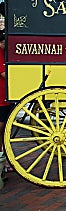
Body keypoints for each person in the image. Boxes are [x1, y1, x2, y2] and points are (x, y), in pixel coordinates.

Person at [0, 31, 14, 183]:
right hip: (1, 98)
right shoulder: (0, 53)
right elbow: (4, 73)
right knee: (1, 127)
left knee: (4, 129)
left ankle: (4, 163)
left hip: (6, 97)